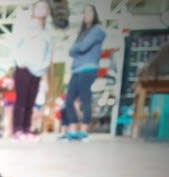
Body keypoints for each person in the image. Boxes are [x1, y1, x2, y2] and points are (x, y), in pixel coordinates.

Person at [60, 3, 105, 141]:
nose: (87, 15)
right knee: (68, 101)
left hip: (89, 68)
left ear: (95, 14)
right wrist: (77, 48)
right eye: (84, 13)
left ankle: (84, 130)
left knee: (85, 98)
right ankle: (73, 131)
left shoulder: (98, 30)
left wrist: (76, 48)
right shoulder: (81, 34)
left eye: (90, 12)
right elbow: (71, 51)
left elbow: (82, 47)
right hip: (76, 70)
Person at [11, 0, 53, 142]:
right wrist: (19, 61)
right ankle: (17, 130)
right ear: (34, 10)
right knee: (21, 101)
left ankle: (27, 129)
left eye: (45, 7)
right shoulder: (26, 27)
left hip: (38, 70)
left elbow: (49, 52)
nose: (42, 9)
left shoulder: (47, 31)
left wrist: (44, 67)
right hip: (24, 68)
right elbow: (15, 44)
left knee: (31, 101)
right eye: (39, 6)